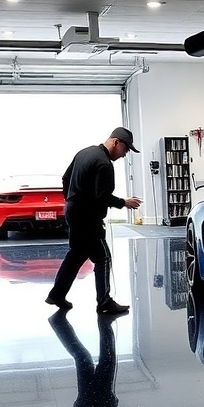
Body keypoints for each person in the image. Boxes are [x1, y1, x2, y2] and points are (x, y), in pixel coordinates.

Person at [46, 127, 143, 317]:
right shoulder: (104, 164)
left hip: (73, 212)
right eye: (126, 149)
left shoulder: (84, 153)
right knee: (103, 258)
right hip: (87, 217)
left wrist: (72, 200)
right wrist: (124, 202)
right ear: (116, 142)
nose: (125, 155)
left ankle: (57, 294)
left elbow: (66, 178)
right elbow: (102, 197)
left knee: (76, 255)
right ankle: (104, 302)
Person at [48, 310, 146, 407]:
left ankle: (105, 321)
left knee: (107, 359)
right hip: (91, 399)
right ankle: (58, 322)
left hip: (96, 397)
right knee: (83, 358)